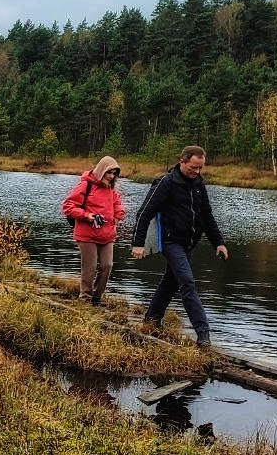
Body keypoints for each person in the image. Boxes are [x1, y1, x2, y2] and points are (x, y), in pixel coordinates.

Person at [131, 146, 229, 348]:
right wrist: (138, 243)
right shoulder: (166, 182)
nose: (197, 172)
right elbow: (144, 212)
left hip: (188, 243)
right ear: (182, 161)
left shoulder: (199, 184)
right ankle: (203, 334)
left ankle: (151, 320)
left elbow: (207, 216)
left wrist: (218, 242)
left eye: (201, 168)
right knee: (187, 282)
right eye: (194, 167)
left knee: (170, 283)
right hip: (170, 241)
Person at [61, 155, 126, 304]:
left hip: (107, 234)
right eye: (109, 172)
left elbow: (117, 205)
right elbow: (68, 207)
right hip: (86, 234)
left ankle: (97, 297)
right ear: (101, 170)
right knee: (89, 267)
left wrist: (118, 215)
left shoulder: (111, 189)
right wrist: (87, 215)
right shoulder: (85, 185)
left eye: (114, 173)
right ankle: (85, 298)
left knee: (107, 265)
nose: (111, 176)